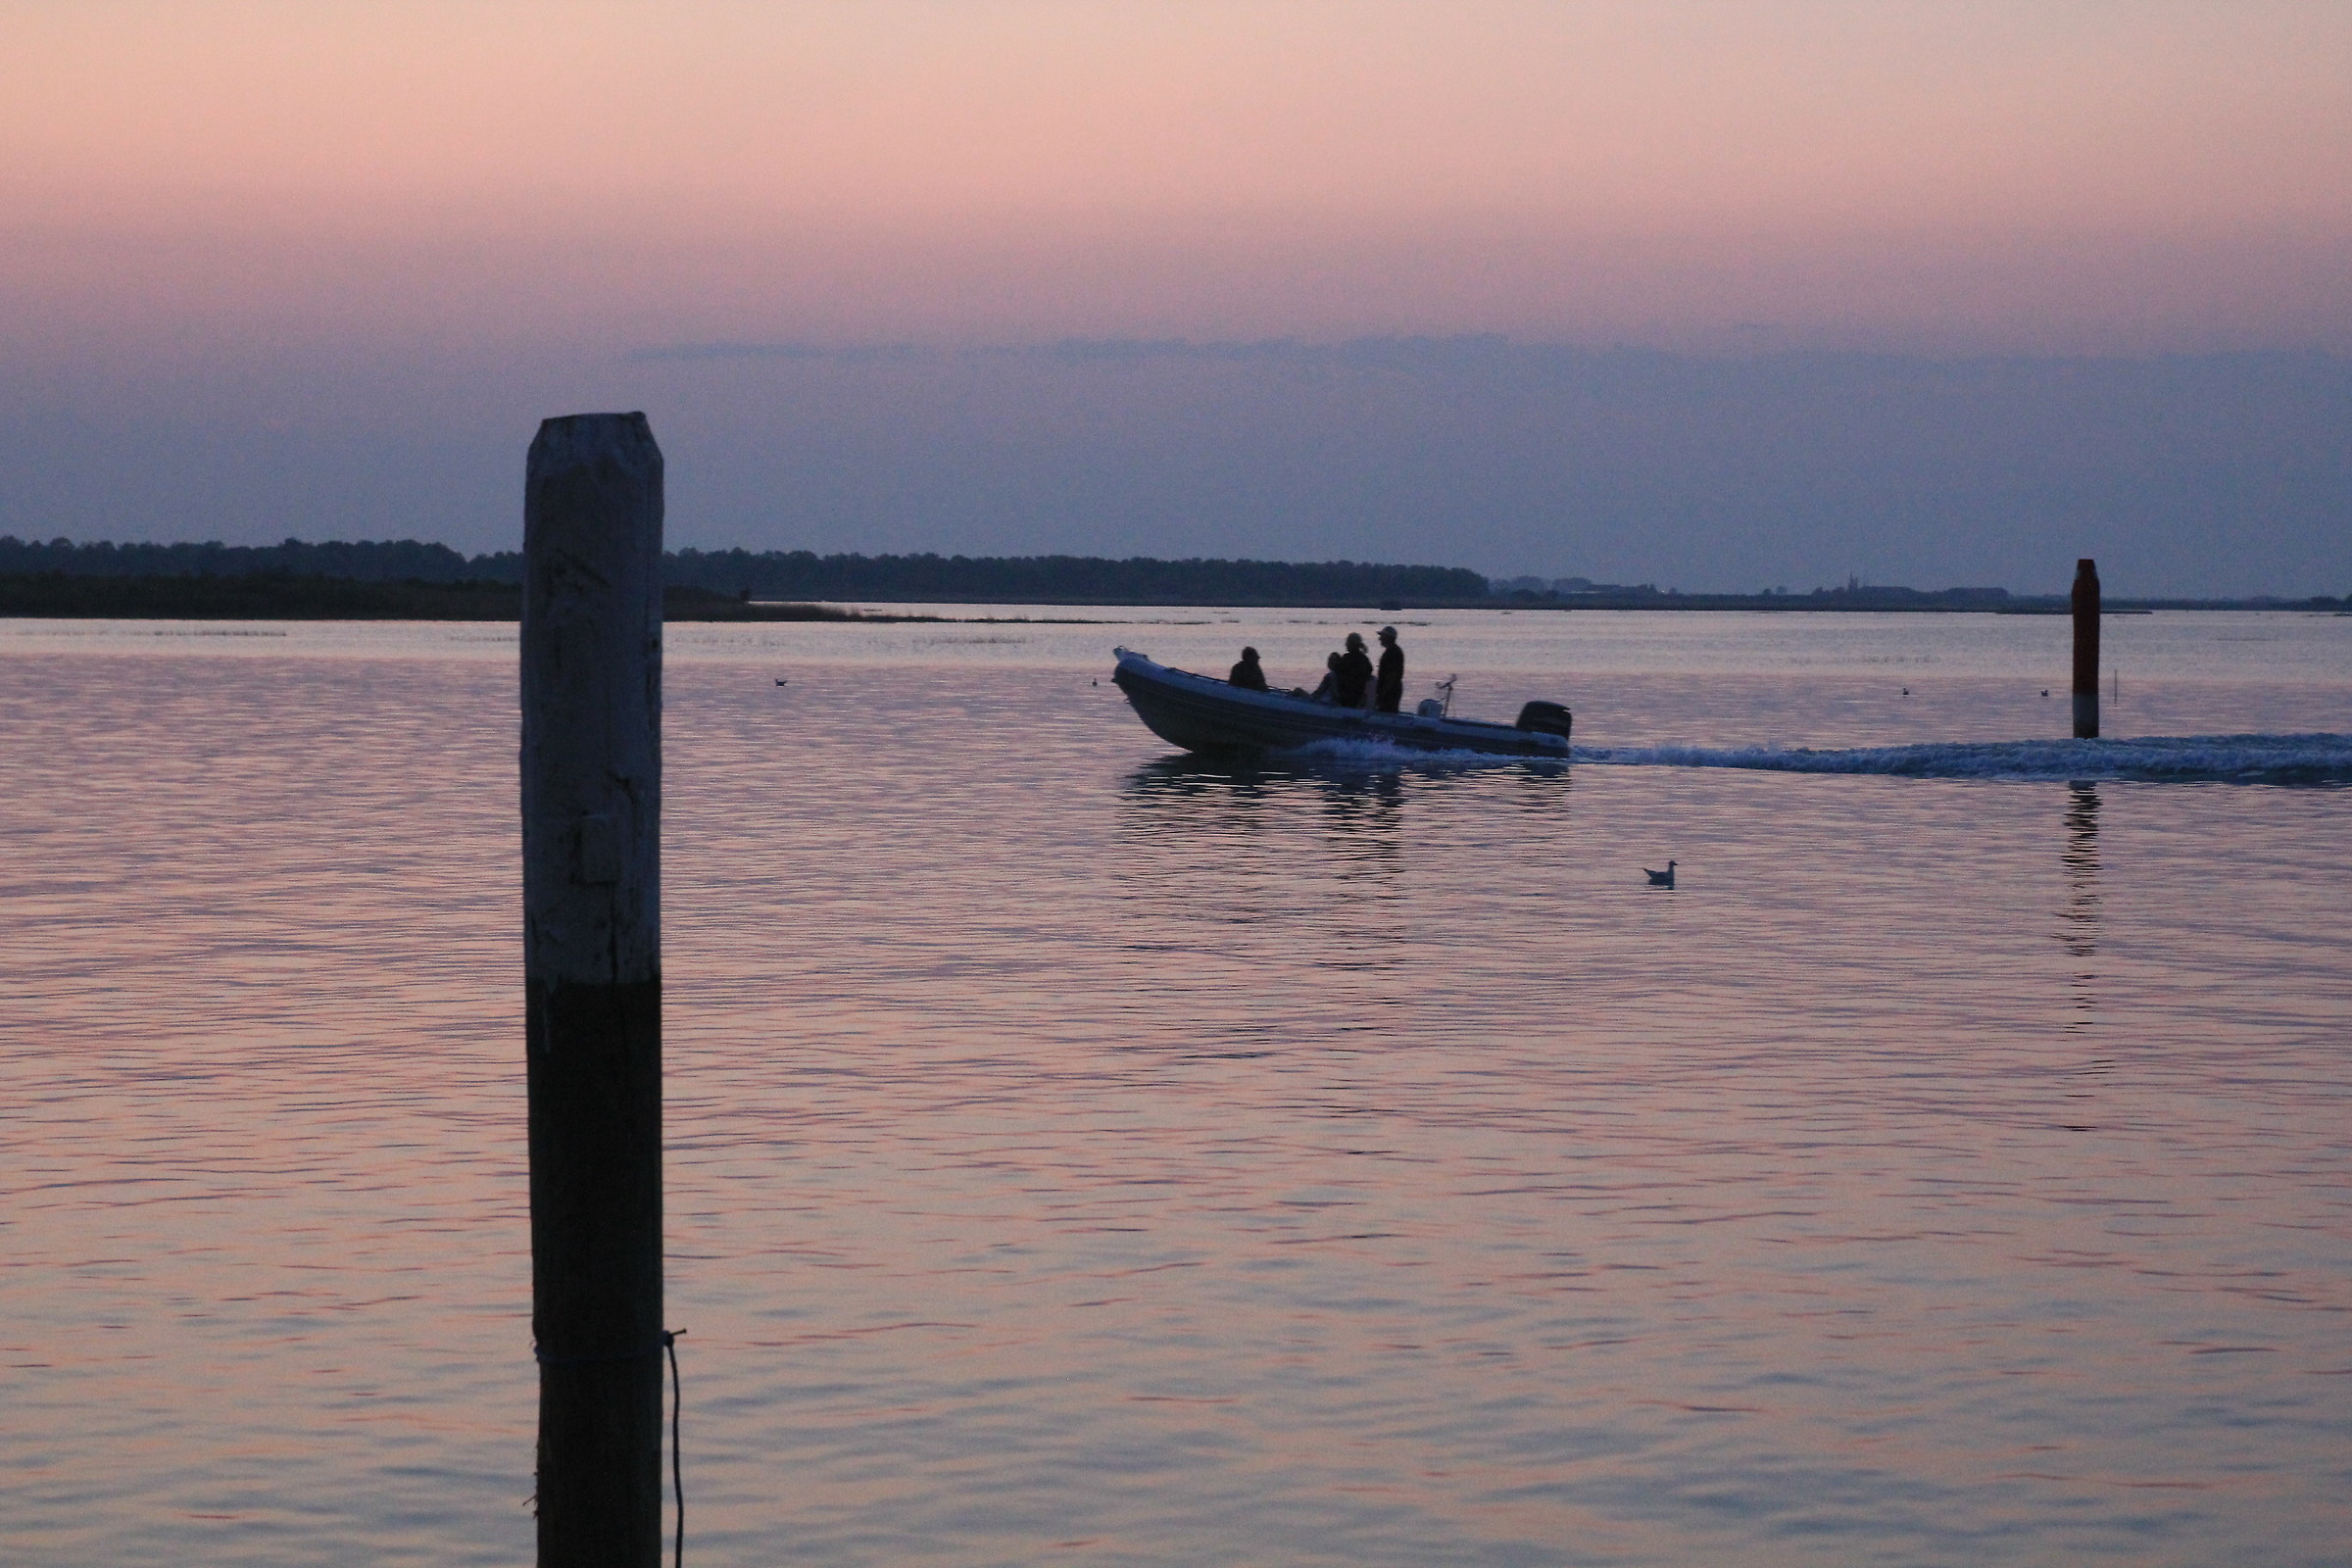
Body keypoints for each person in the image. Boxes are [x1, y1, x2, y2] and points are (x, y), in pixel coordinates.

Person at [1334, 633, 1374, 708]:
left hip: (1346, 696)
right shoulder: (1364, 659)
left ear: (1352, 644)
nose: (1346, 645)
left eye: (1348, 643)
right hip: (1359, 695)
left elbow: (1337, 671)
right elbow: (1369, 672)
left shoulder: (1347, 658)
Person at [1374, 625, 1405, 712]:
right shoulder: (1393, 651)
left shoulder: (1393, 652)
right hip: (1392, 689)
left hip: (1391, 690)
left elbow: (1392, 675)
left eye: (1382, 636)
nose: (1379, 639)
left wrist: (1383, 692)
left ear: (1388, 638)